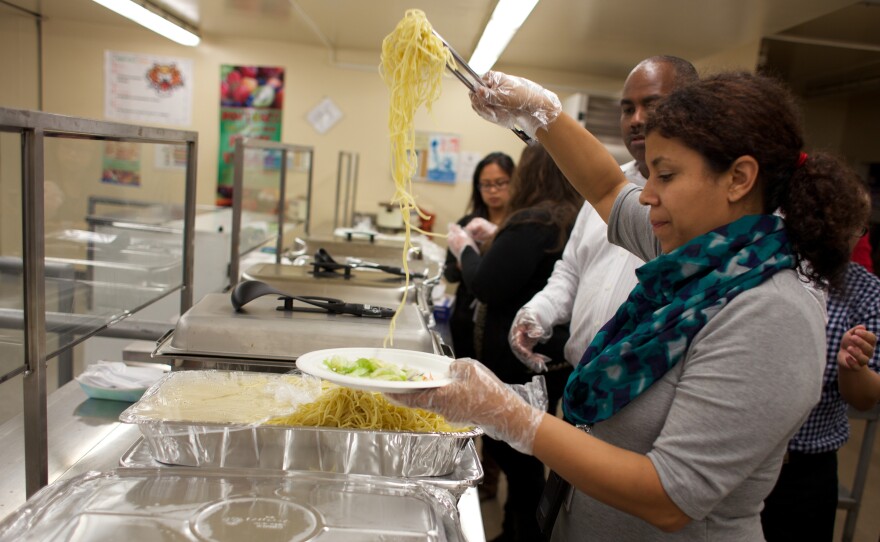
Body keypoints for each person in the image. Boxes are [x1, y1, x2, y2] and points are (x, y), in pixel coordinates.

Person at [392, 69, 870, 541]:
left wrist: (509, 417)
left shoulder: (774, 312)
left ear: (739, 178)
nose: (647, 193)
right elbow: (604, 189)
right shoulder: (695, 255)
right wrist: (539, 111)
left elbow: (669, 496)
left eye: (665, 174)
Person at [509, 56, 698, 373]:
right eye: (627, 109)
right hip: (581, 381)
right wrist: (538, 312)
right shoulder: (604, 188)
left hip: (637, 391)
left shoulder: (696, 206)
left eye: (652, 105)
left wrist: (536, 108)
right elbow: (572, 268)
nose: (636, 119)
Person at [446, 142, 583, 541]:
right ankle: (515, 530)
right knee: (524, 452)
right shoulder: (566, 218)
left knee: (518, 455)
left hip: (519, 365)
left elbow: (488, 283)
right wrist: (496, 238)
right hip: (548, 360)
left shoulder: (535, 221)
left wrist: (465, 249)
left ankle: (523, 533)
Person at [761, 200, 880, 540]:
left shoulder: (866, 292)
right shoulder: (762, 271)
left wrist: (853, 367)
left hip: (805, 473)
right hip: (742, 457)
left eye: (852, 226)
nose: (836, 234)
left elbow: (865, 398)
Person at [444, 152, 515, 360]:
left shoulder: (519, 225)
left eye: (500, 183)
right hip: (465, 316)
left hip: (501, 318)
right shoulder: (469, 222)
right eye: (486, 185)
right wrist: (465, 259)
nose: (493, 190)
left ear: (514, 182)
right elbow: (449, 273)